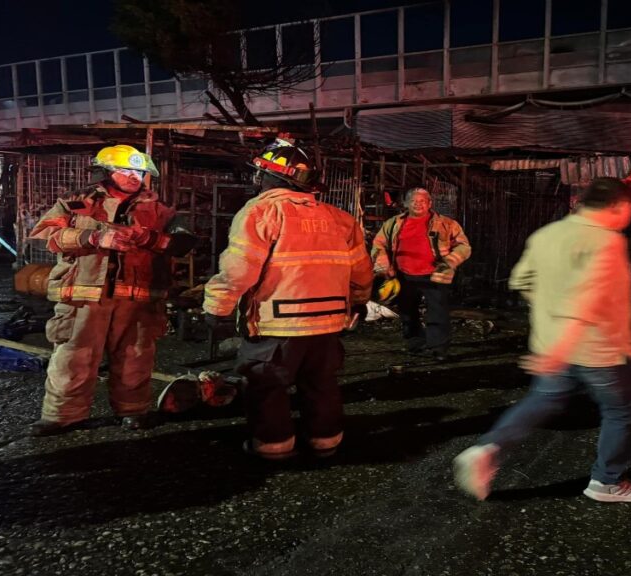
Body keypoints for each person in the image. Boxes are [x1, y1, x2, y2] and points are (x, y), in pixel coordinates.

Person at [453, 178, 631, 504]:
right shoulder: (606, 241)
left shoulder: (546, 235)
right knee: (622, 408)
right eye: (630, 208)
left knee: (543, 400)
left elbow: (522, 280)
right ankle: (607, 480)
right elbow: (588, 299)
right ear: (618, 206)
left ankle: (487, 449)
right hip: (597, 349)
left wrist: (552, 322)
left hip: (550, 344)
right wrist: (565, 342)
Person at [203, 139, 372, 460]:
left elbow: (239, 269)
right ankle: (326, 442)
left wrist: (217, 306)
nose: (257, 180)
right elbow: (361, 271)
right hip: (329, 322)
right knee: (321, 383)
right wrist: (359, 301)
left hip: (277, 322)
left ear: (270, 177)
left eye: (260, 174)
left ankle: (274, 447)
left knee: (267, 386)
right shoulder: (339, 218)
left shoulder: (261, 211)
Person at [27, 145, 195, 436]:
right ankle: (62, 416)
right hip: (83, 297)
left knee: (136, 356)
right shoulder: (74, 202)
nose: (134, 176)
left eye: (140, 172)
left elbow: (185, 242)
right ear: (106, 173)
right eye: (126, 170)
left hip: (137, 299)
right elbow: (42, 235)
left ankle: (133, 411)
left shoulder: (160, 210)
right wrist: (92, 237)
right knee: (73, 356)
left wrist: (149, 237)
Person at [371, 187, 471, 361]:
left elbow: (464, 246)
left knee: (437, 313)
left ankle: (438, 349)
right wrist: (384, 267)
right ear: (407, 203)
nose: (418, 204)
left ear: (429, 203)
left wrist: (450, 262)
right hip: (404, 275)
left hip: (435, 275)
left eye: (422, 201)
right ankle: (415, 344)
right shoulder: (394, 224)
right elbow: (378, 244)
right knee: (408, 312)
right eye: (414, 201)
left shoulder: (447, 224)